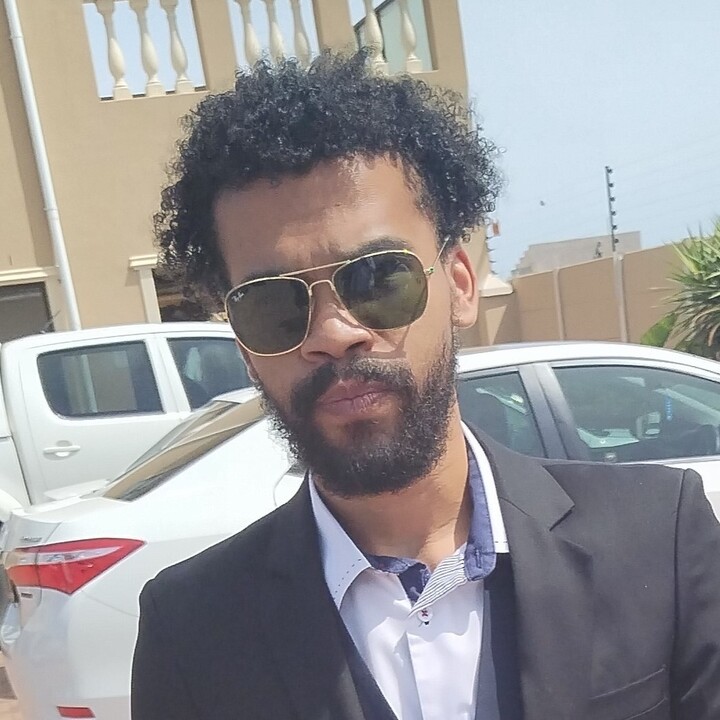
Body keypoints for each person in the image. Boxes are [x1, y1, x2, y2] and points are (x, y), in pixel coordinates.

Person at [131, 51, 720, 720]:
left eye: (378, 277)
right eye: (272, 304)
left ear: (460, 286)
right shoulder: (191, 633)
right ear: (243, 344)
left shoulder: (659, 539)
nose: (334, 332)